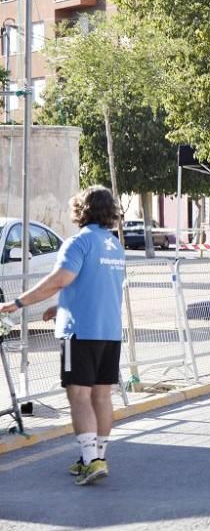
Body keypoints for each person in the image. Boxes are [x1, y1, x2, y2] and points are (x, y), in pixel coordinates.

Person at [0, 186, 126, 486]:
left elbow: (59, 279)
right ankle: (96, 456)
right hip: (110, 331)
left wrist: (16, 303)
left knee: (79, 396)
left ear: (82, 210)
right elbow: (99, 285)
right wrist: (62, 305)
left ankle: (90, 460)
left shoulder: (78, 242)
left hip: (80, 332)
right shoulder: (114, 245)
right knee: (102, 395)